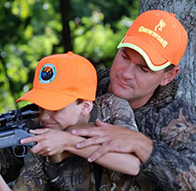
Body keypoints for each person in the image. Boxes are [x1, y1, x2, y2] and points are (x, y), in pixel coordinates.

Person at [0, 52, 140, 190]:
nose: (44, 117)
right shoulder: (43, 138)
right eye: (40, 106)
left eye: (55, 107)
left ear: (85, 106)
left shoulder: (112, 108)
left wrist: (69, 142)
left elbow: (132, 164)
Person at [65, 9, 196, 190]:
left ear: (168, 76)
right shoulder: (81, 86)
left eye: (143, 69)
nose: (126, 73)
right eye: (125, 57)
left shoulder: (174, 118)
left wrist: (141, 144)